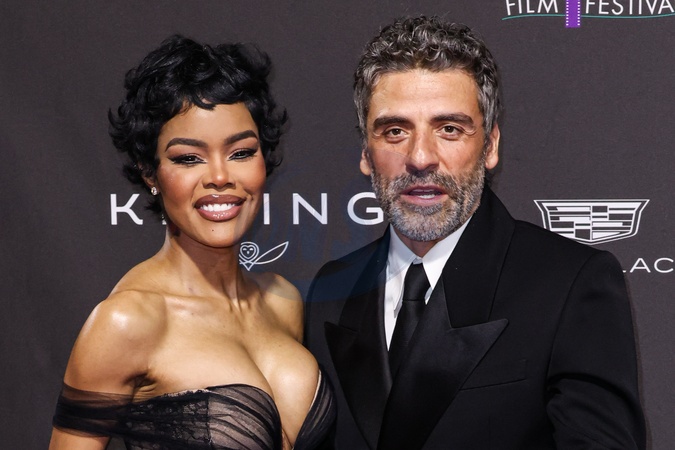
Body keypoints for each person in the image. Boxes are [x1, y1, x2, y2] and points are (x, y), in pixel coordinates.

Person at [305, 15, 645, 450]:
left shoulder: (570, 283)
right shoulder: (332, 292)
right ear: (366, 154)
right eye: (395, 131)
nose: (420, 157)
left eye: (449, 129)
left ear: (490, 146)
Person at [50, 35, 335, 450]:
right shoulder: (128, 322)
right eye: (188, 158)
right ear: (150, 172)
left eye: (241, 152)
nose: (220, 177)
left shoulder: (283, 302)